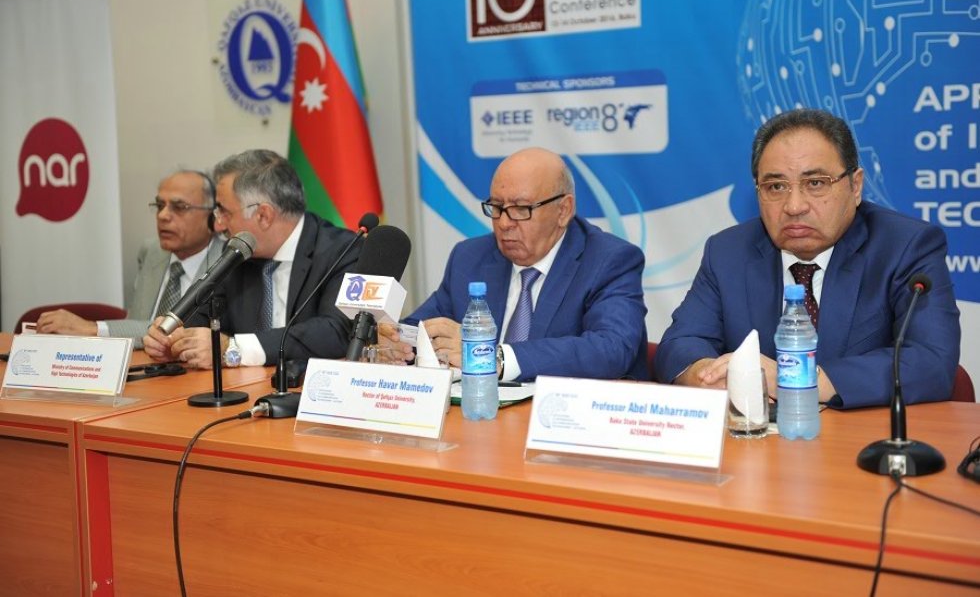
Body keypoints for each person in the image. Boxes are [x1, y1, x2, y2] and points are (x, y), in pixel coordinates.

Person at [655, 109, 960, 408]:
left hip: (861, 435)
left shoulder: (905, 246)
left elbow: (931, 360)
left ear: (855, 186)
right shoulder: (728, 252)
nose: (794, 206)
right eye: (776, 187)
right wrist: (707, 374)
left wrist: (795, 378)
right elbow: (680, 344)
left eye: (815, 183)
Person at [382, 147, 647, 382]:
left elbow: (611, 348)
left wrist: (494, 357)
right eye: (497, 207)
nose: (504, 222)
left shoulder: (609, 260)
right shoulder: (470, 257)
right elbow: (424, 327)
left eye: (521, 209)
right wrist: (396, 341)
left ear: (563, 210)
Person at [143, 149, 361, 369]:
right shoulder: (238, 251)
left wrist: (233, 349)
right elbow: (201, 314)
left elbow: (338, 331)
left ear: (263, 216)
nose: (217, 225)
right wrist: (172, 338)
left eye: (224, 212)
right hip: (244, 385)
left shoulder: (343, 251)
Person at [35, 170, 224, 349]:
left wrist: (93, 328)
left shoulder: (226, 261)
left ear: (213, 216)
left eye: (179, 207)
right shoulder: (152, 251)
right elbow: (139, 323)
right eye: (159, 206)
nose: (163, 216)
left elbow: (181, 331)